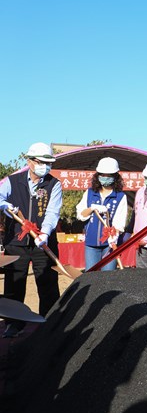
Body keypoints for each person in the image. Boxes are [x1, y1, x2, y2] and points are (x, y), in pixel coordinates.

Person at [0, 142, 62, 336]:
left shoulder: (54, 184)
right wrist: (4, 205)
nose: (46, 166)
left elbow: (52, 212)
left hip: (42, 242)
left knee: (47, 284)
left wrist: (44, 233)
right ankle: (13, 324)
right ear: (30, 161)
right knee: (14, 284)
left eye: (49, 162)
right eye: (42, 161)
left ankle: (49, 323)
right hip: (16, 242)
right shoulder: (13, 180)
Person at [76, 157, 128, 272]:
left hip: (109, 245)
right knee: (90, 275)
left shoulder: (120, 197)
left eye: (109, 176)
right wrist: (92, 208)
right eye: (102, 175)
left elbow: (119, 222)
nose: (105, 178)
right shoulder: (90, 193)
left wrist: (114, 236)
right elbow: (81, 214)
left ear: (115, 177)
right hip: (91, 243)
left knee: (108, 277)